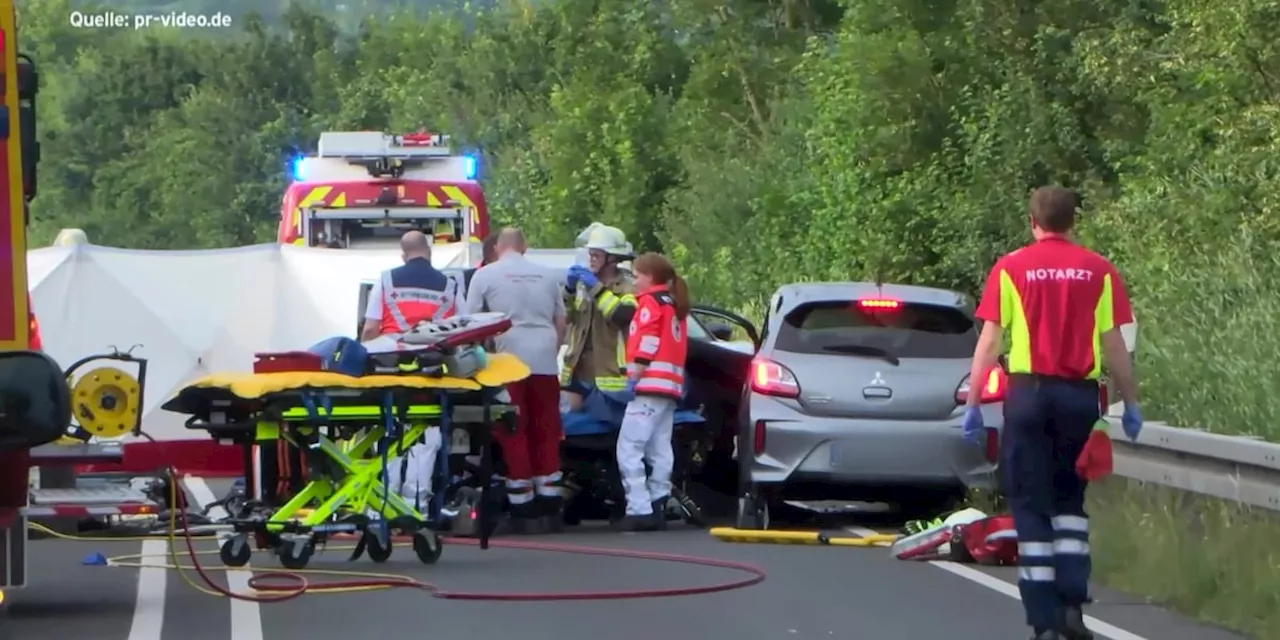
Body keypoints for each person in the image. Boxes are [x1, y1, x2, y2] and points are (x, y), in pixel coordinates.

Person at [964, 186, 1142, 640]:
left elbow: (990, 340)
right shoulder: (1099, 271)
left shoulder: (1010, 269)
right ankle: (1072, 610)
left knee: (1029, 503)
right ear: (1072, 221)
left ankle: (1044, 622)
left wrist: (972, 400)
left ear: (1032, 221)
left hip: (1028, 395)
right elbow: (1114, 344)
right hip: (1079, 399)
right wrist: (1132, 400)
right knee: (1069, 506)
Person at [462, 228, 568, 532]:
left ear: (496, 248)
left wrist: (481, 358)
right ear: (525, 246)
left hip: (508, 361)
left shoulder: (485, 276)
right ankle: (550, 498)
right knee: (546, 427)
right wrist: (551, 347)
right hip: (545, 359)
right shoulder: (548, 276)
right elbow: (560, 322)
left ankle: (523, 503)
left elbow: (470, 323)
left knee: (512, 428)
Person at [613, 252, 690, 532]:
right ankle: (658, 501)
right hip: (669, 387)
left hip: (649, 385)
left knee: (629, 448)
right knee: (659, 448)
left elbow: (646, 340)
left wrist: (635, 375)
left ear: (650, 277)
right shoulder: (674, 305)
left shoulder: (649, 303)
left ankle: (639, 508)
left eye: (637, 274)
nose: (634, 279)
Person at [562, 223, 638, 392]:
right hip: (576, 375)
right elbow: (566, 319)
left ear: (612, 259)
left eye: (596, 255)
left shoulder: (629, 287)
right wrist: (569, 290)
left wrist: (596, 288)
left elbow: (623, 317)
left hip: (609, 378)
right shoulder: (582, 287)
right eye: (590, 255)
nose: (591, 260)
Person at [360, 230, 465, 341]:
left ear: (404, 257)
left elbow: (370, 330)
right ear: (429, 252)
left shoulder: (385, 281)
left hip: (393, 353)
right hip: (435, 353)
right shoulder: (451, 286)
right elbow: (465, 326)